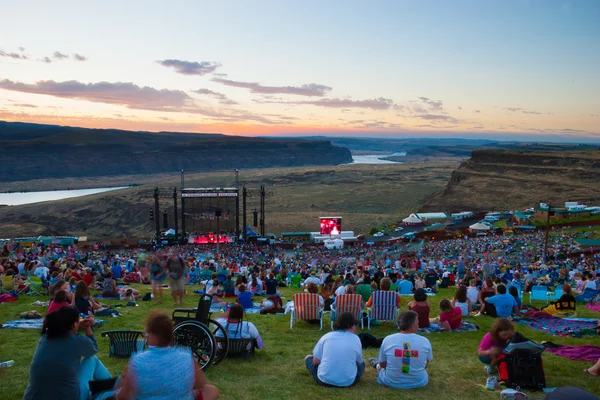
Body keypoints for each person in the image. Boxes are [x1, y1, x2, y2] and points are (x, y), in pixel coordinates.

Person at [116, 312, 219, 400]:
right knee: (211, 390)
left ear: (152, 336)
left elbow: (123, 396)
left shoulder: (137, 361)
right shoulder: (186, 357)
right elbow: (201, 385)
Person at [24, 306, 117, 400]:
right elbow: (93, 349)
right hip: (68, 396)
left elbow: (66, 329)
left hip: (32, 397)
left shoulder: (46, 336)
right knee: (92, 359)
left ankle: (111, 388)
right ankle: (113, 388)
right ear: (73, 325)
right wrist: (88, 327)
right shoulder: (77, 342)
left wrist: (78, 323)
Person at [369, 310, 433, 389]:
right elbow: (425, 365)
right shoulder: (424, 341)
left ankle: (376, 365)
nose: (418, 325)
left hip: (391, 381)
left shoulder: (388, 339)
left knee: (380, 367)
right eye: (417, 323)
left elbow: (383, 364)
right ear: (412, 326)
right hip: (418, 382)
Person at [304, 312, 365, 387]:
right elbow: (358, 362)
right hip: (348, 382)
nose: (356, 328)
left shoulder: (326, 337)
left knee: (308, 358)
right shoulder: (356, 339)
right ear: (350, 326)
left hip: (324, 380)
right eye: (355, 325)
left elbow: (316, 361)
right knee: (362, 363)